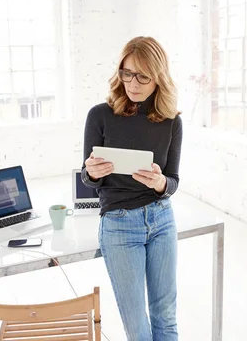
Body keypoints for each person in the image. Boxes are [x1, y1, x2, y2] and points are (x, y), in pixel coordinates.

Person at [81, 36, 182, 341]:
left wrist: (161, 183)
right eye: (127, 73)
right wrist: (92, 173)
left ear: (158, 78)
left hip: (161, 219)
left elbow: (173, 180)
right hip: (119, 223)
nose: (133, 83)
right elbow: (88, 180)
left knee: (165, 315)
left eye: (142, 76)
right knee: (137, 326)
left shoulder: (171, 121)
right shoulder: (99, 115)